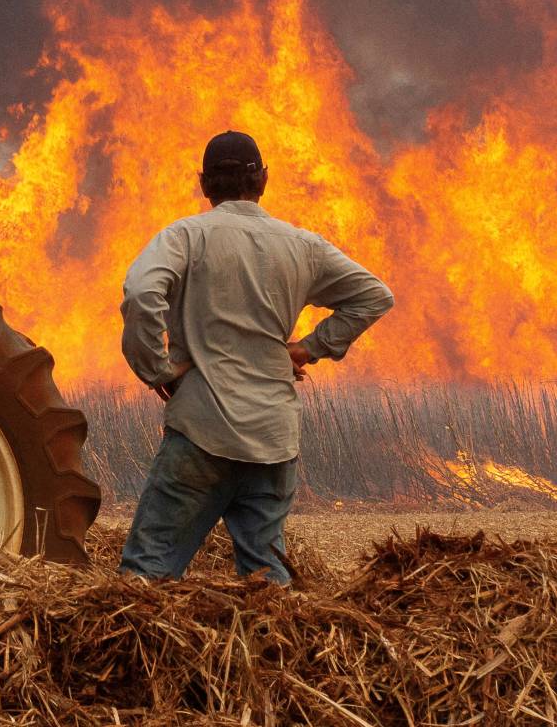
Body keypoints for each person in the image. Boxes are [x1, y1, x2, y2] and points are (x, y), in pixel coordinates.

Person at [118, 130, 394, 584]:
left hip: (201, 432)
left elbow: (142, 292)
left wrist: (157, 370)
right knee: (268, 589)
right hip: (273, 440)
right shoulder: (302, 245)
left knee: (146, 577)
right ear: (263, 180)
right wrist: (309, 347)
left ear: (205, 184)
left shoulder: (186, 237)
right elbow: (374, 296)